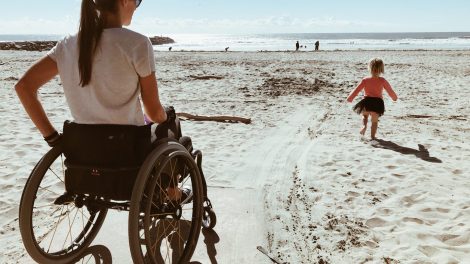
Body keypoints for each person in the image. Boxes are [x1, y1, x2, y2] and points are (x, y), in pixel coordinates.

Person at [15, 0, 188, 201]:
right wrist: (166, 115)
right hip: (127, 153)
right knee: (171, 122)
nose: (137, 6)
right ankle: (173, 194)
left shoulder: (67, 45)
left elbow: (24, 87)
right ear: (124, 1)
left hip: (84, 152)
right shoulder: (138, 44)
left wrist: (52, 138)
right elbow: (153, 112)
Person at [347, 58, 398, 139]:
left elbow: (356, 90)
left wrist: (350, 98)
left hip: (367, 102)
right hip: (377, 103)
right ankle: (372, 136)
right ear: (381, 69)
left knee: (365, 116)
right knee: (374, 122)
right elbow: (390, 90)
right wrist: (394, 98)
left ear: (370, 68)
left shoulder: (365, 80)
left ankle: (364, 126)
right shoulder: (382, 80)